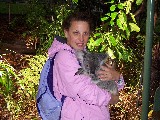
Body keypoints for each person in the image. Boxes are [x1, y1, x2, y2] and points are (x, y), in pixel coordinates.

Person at [48, 11, 125, 120]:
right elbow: (85, 91)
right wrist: (111, 99)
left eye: (85, 33)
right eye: (76, 33)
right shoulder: (64, 57)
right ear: (66, 33)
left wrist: (117, 77)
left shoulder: (85, 56)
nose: (81, 39)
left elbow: (107, 83)